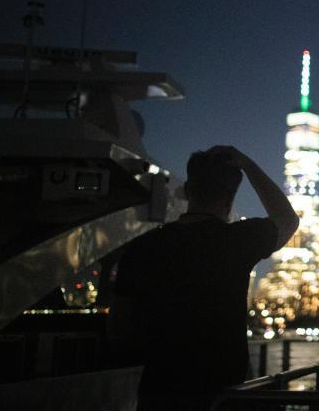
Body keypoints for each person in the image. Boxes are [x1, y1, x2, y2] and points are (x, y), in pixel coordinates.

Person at [108, 146, 298, 410]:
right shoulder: (236, 242)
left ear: (187, 191)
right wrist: (246, 163)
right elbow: (288, 219)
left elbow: (119, 330)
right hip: (220, 395)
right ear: (230, 198)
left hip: (158, 391)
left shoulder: (142, 247)